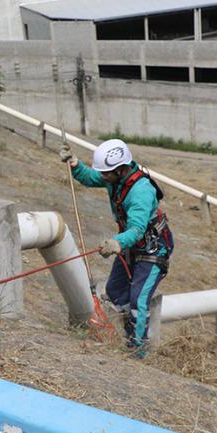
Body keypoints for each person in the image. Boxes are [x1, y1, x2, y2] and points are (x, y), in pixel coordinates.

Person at [61, 139, 173, 355]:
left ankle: (138, 350)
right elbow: (91, 177)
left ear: (120, 170)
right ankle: (129, 332)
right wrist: (75, 164)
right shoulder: (116, 179)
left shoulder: (140, 191)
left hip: (153, 248)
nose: (102, 177)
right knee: (115, 291)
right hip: (131, 247)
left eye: (106, 173)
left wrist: (116, 243)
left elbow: (137, 229)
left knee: (138, 298)